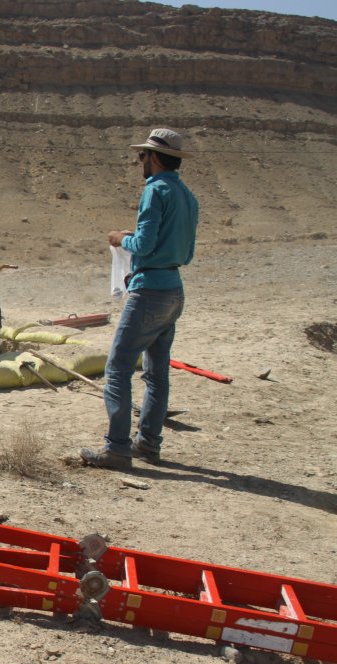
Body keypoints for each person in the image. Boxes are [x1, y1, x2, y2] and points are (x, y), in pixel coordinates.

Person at [81, 128, 199, 470]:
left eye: (142, 156)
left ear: (155, 157)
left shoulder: (155, 190)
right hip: (174, 287)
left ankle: (117, 448)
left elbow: (144, 245)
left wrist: (121, 239)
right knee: (157, 372)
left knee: (117, 368)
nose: (139, 162)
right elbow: (186, 251)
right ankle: (148, 443)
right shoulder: (187, 196)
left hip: (149, 291)